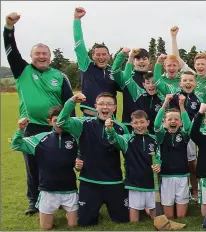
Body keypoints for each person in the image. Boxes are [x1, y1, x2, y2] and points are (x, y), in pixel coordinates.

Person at [3, 12, 75, 215]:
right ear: (31, 56)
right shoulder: (22, 71)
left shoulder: (59, 76)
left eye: (45, 54)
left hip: (56, 127)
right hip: (31, 126)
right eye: (38, 54)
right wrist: (9, 27)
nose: (41, 57)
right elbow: (11, 50)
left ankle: (62, 197)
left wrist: (71, 125)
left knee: (60, 163)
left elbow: (69, 103)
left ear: (50, 57)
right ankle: (34, 201)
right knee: (32, 165)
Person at [57, 92, 130, 226]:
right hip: (89, 181)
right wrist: (72, 101)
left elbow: (124, 148)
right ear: (96, 106)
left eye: (109, 104)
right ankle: (92, 208)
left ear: (115, 107)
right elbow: (61, 122)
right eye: (101, 104)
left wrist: (111, 131)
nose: (105, 107)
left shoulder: (121, 127)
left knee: (123, 220)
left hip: (113, 182)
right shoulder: (83, 123)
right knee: (85, 223)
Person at [11, 107, 78, 230]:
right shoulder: (39, 139)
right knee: (46, 227)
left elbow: (80, 162)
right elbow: (16, 145)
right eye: (56, 120)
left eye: (63, 120)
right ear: (49, 122)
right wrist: (20, 129)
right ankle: (50, 213)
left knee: (73, 225)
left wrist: (78, 165)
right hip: (48, 190)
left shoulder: (75, 138)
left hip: (69, 190)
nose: (59, 123)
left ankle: (64, 212)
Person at [105, 110, 161, 222]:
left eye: (142, 122)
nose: (139, 126)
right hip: (134, 183)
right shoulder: (127, 139)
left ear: (148, 122)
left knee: (155, 217)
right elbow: (114, 139)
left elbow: (159, 157)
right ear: (131, 124)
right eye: (136, 123)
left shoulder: (154, 139)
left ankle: (149, 211)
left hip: (151, 183)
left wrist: (158, 165)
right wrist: (110, 130)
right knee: (134, 220)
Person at [72, 7, 118, 117]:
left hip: (110, 119)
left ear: (109, 56)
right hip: (90, 117)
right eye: (97, 54)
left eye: (104, 54)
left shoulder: (114, 71)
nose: (101, 57)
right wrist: (77, 20)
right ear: (92, 56)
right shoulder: (87, 66)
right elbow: (79, 44)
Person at [154, 94, 192, 219]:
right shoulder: (161, 135)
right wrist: (165, 102)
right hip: (166, 176)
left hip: (182, 176)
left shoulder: (184, 135)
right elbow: (156, 124)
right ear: (164, 122)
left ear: (180, 122)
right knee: (169, 216)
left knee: (181, 215)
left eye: (176, 119)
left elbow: (188, 126)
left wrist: (181, 106)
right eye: (169, 119)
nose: (173, 121)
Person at [113, 48, 164, 133]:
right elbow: (114, 71)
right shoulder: (126, 76)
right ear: (133, 61)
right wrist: (122, 55)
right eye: (138, 59)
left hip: (151, 127)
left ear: (149, 61)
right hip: (130, 124)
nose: (141, 61)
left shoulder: (155, 78)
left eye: (144, 59)